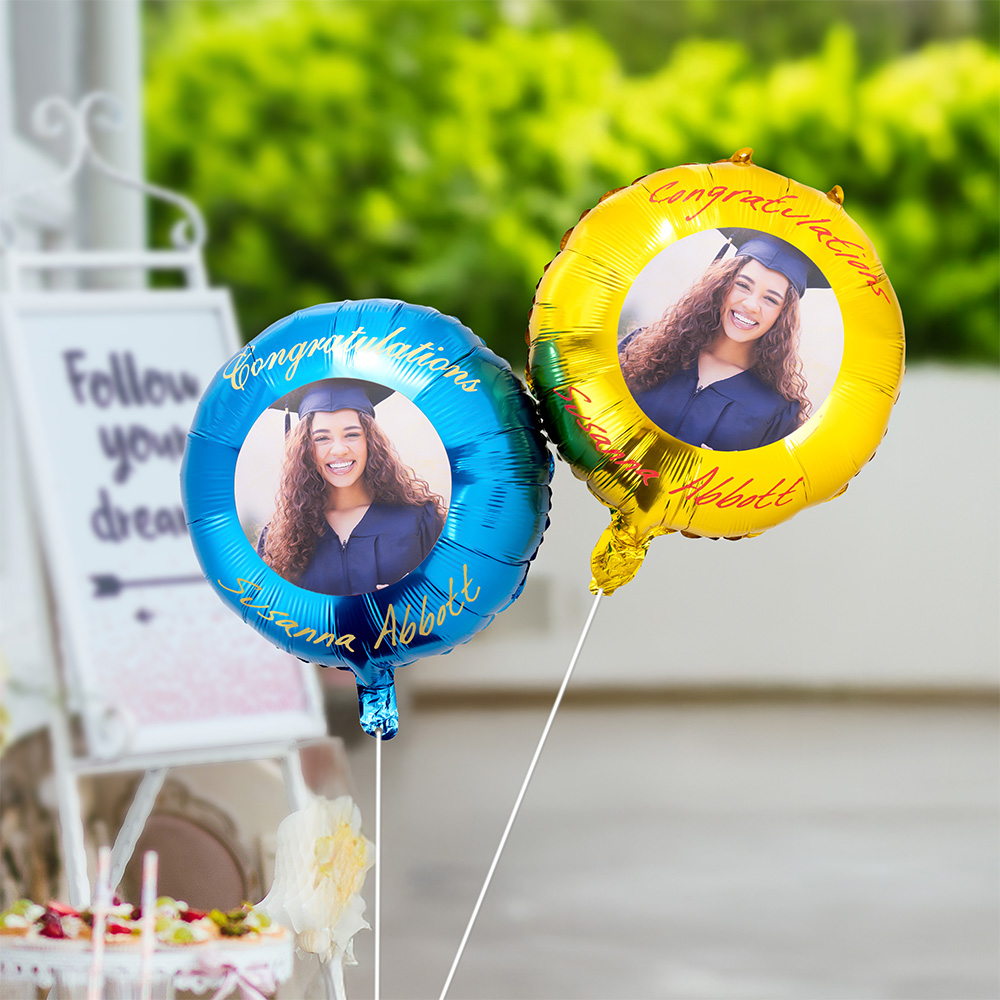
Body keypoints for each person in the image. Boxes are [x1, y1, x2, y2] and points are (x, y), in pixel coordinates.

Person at [619, 231, 826, 451]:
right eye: (743, 285)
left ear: (783, 315)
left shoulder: (779, 411)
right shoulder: (646, 349)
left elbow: (771, 480)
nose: (751, 305)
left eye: (770, 299)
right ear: (721, 286)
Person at [257, 379, 446, 596]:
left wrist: (417, 600)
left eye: (352, 434)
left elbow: (457, 596)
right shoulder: (279, 542)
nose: (339, 449)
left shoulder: (419, 520)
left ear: (370, 441)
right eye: (321, 438)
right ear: (305, 448)